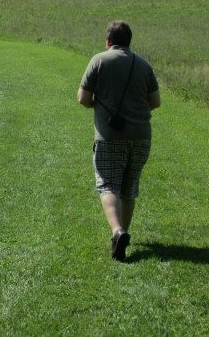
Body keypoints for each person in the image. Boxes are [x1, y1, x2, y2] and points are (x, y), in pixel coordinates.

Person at [77, 21, 160, 262]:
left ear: (108, 41)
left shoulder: (99, 60)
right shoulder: (143, 65)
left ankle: (117, 231)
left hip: (109, 137)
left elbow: (83, 98)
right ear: (129, 41)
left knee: (107, 185)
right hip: (141, 136)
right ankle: (121, 239)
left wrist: (100, 106)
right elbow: (155, 102)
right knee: (129, 187)